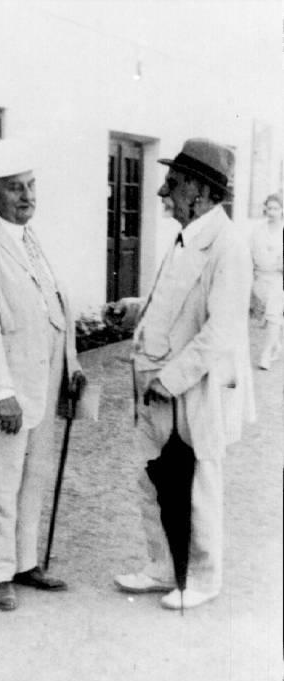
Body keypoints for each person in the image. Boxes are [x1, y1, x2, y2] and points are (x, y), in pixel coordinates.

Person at [106, 138, 255, 610]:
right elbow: (173, 303)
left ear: (202, 191)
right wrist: (134, 310)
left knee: (198, 483)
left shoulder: (228, 246)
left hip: (194, 388)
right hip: (156, 385)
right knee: (151, 479)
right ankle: (163, 566)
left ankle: (203, 579)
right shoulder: (185, 235)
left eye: (173, 182)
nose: (162, 191)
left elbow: (221, 330)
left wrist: (171, 379)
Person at [0, 139, 85, 611]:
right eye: (14, 188)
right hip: (6, 390)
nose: (27, 196)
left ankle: (24, 562)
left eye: (30, 185)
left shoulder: (28, 239)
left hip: (41, 382)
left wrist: (72, 366)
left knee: (33, 477)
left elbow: (55, 307)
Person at [250, 193, 283, 370]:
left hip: (278, 279)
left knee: (273, 315)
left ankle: (266, 354)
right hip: (260, 277)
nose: (272, 212)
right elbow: (251, 251)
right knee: (267, 316)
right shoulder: (258, 230)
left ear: (282, 210)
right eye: (269, 208)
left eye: (276, 209)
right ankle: (276, 345)